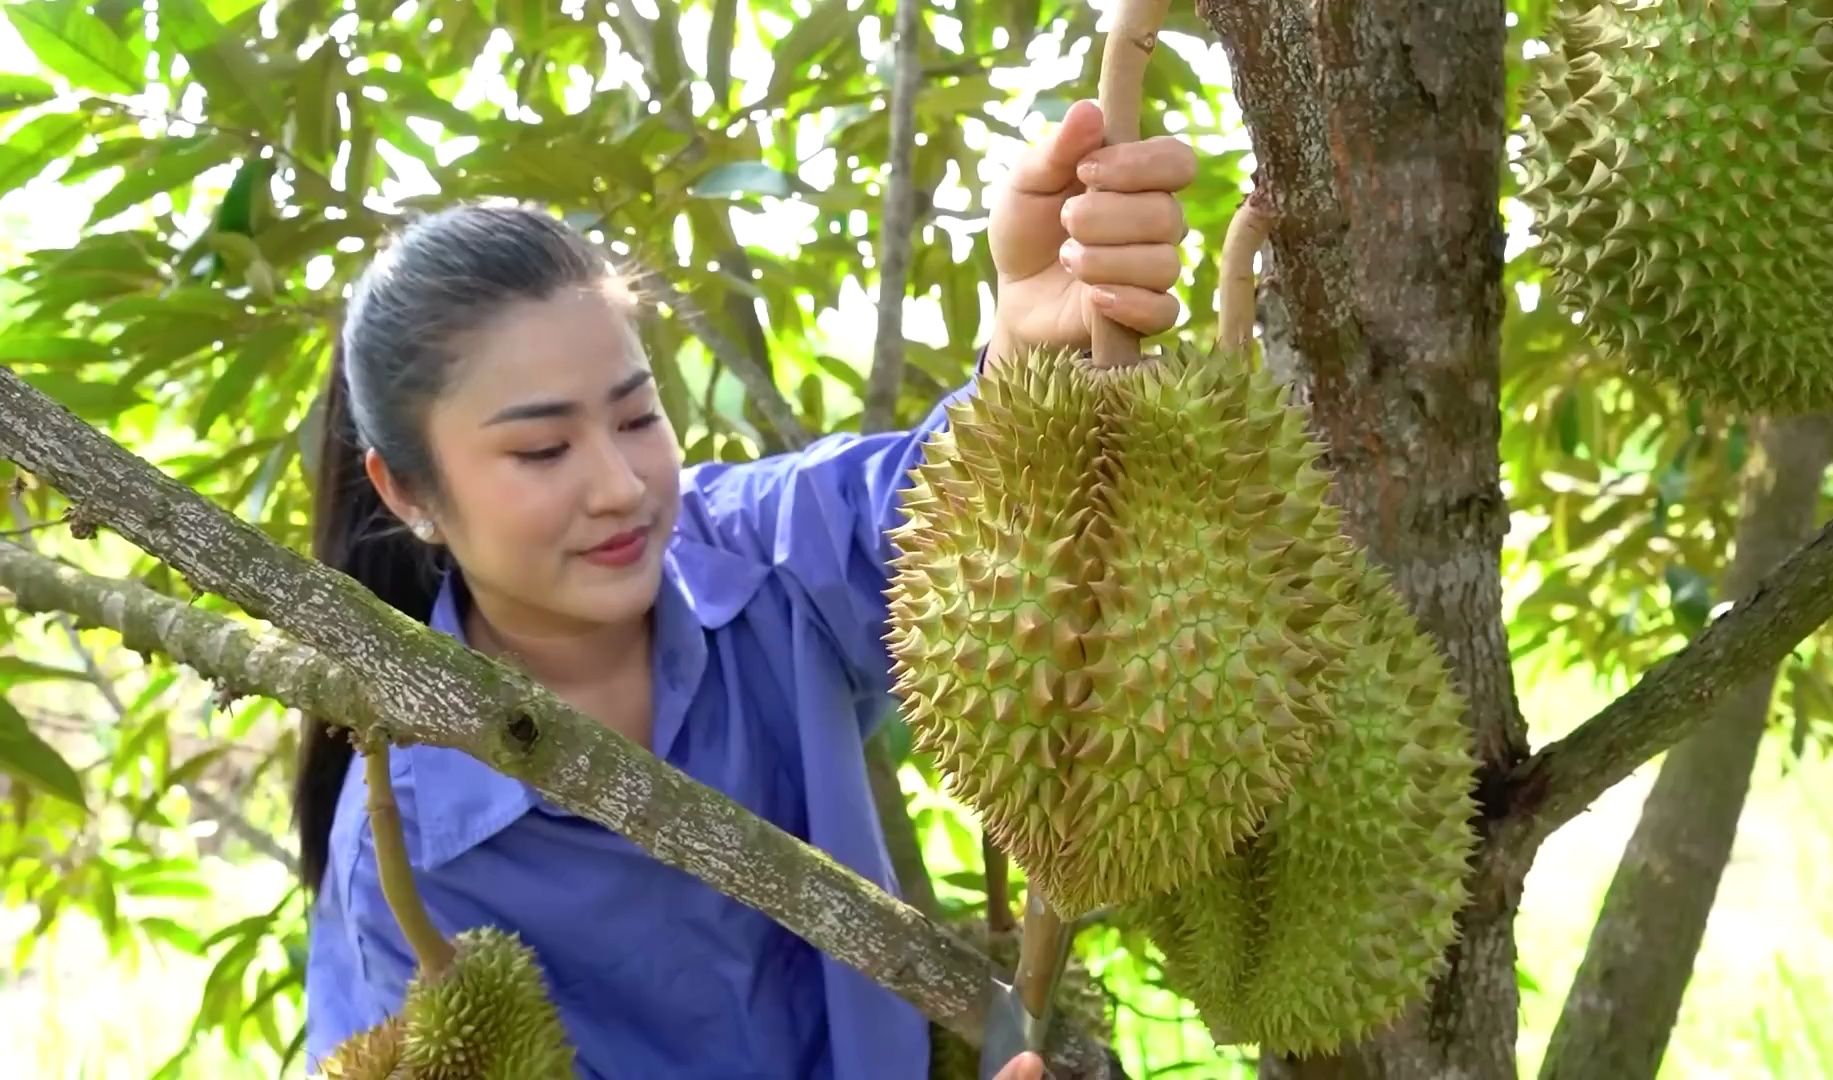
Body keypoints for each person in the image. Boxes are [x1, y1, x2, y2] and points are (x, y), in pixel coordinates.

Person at [297, 98, 1196, 1079]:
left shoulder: (757, 561)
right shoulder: (408, 874)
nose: (619, 486)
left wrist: (1027, 328)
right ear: (410, 490)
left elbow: (948, 508)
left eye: (638, 420)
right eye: (544, 448)